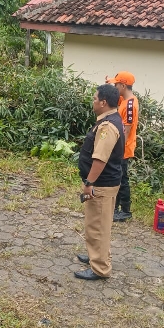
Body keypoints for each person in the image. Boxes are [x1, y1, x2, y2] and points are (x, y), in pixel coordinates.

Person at [74, 84, 125, 280]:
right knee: (95, 224)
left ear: (103, 102)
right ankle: (95, 255)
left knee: (98, 227)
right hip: (102, 184)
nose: (93, 101)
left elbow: (100, 158)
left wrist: (89, 182)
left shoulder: (107, 127)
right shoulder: (110, 120)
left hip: (101, 185)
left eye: (95, 98)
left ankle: (100, 268)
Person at [106, 71, 139, 222]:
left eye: (116, 84)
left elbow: (127, 129)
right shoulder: (125, 100)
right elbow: (113, 97)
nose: (115, 86)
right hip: (120, 147)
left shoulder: (131, 104)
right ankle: (116, 208)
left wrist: (118, 149)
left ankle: (125, 211)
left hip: (123, 148)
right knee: (118, 177)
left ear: (123, 85)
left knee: (122, 179)